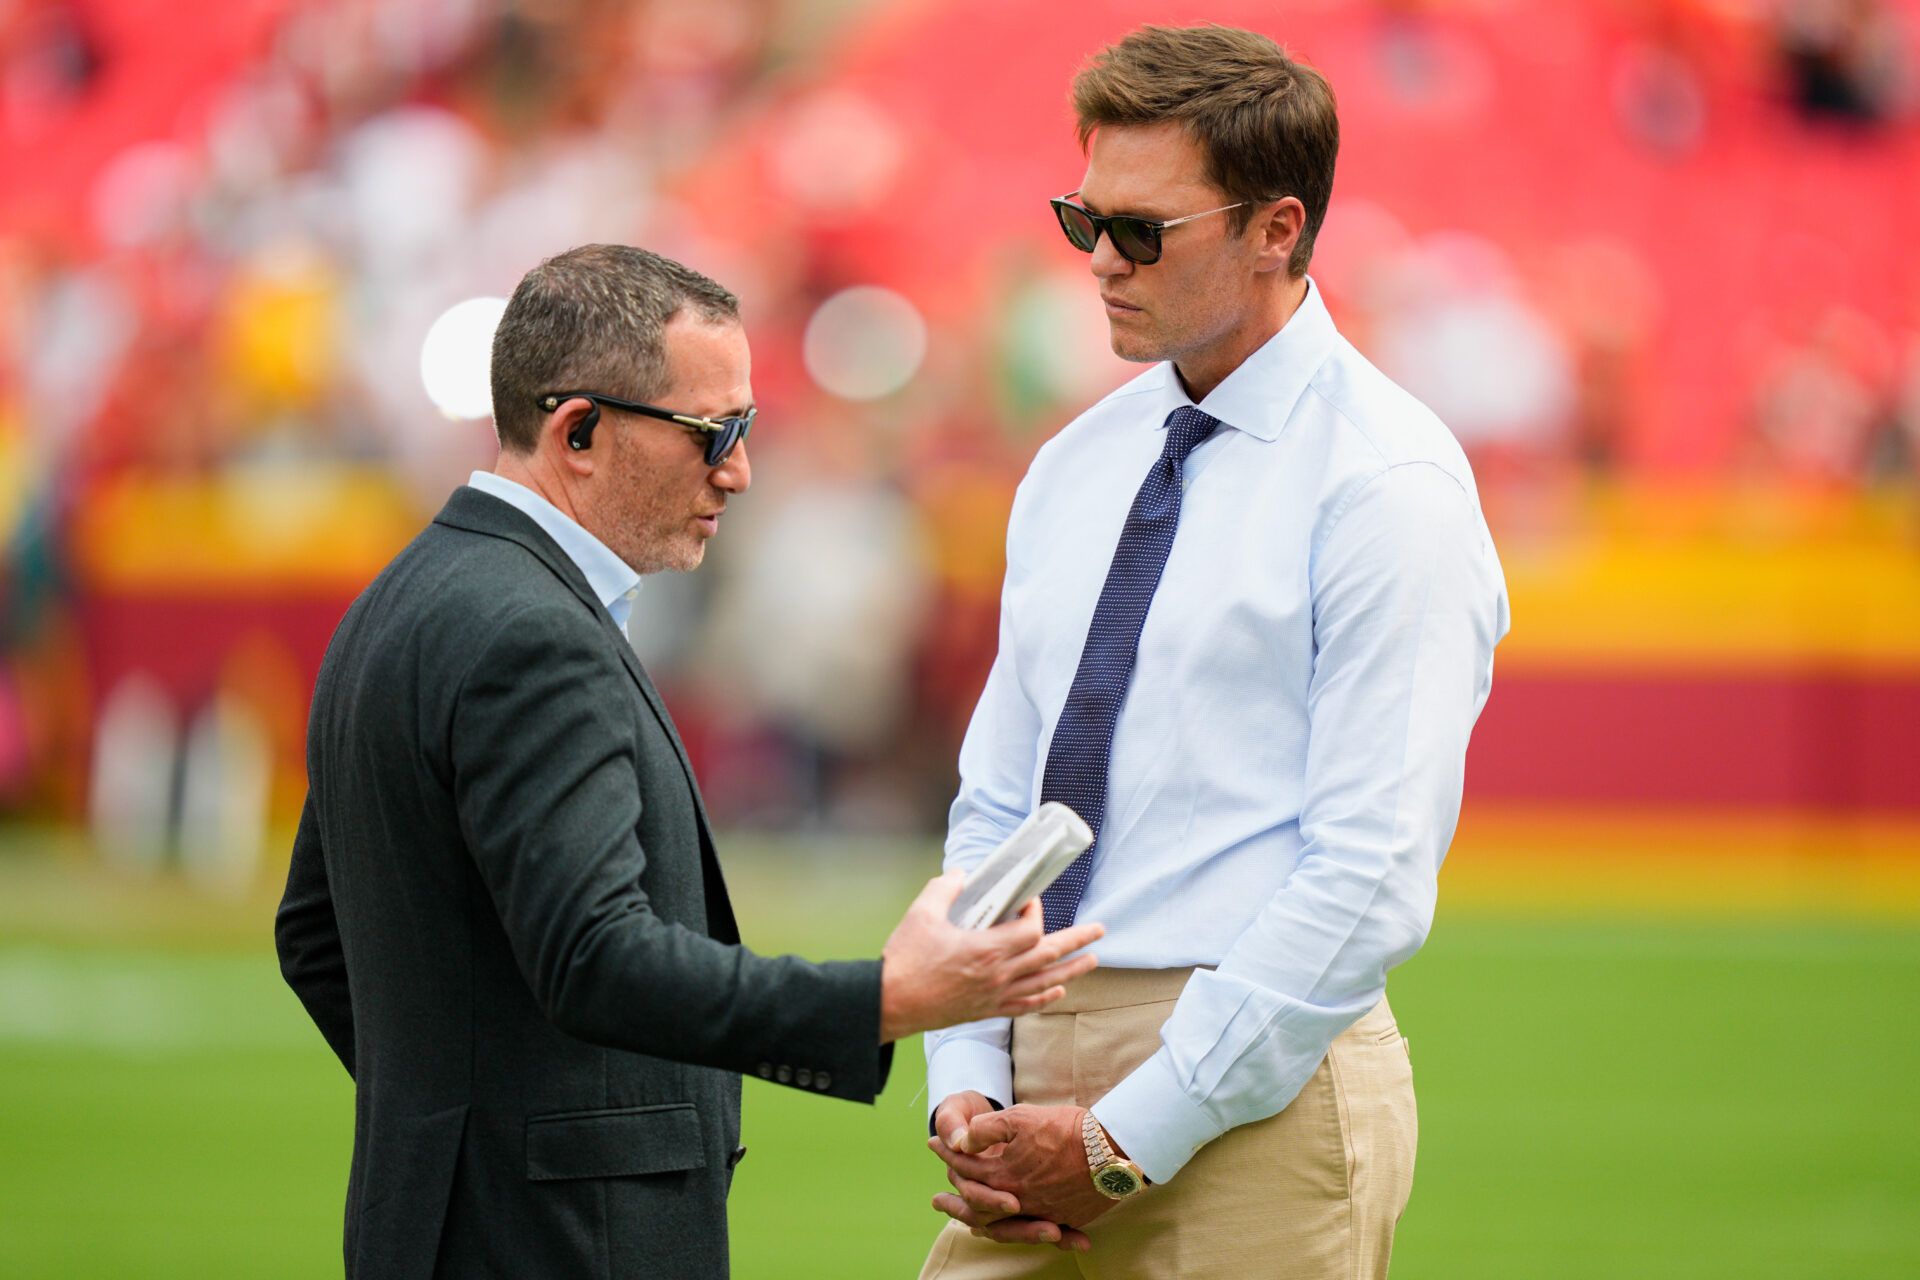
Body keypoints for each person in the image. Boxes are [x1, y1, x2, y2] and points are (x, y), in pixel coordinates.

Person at [275, 243, 1104, 1279]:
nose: (739, 469)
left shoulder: (405, 595)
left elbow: (311, 934)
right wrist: (888, 996)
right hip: (565, 1245)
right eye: (714, 432)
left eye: (745, 429)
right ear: (580, 430)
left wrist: (456, 1127)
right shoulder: (531, 631)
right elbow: (595, 954)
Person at [918, 26, 1510, 1280]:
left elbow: (1370, 871)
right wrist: (964, 1070)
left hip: (1254, 1101)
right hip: (1031, 1064)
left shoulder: (1387, 482)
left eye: (1143, 231)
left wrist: (1130, 1130)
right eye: (1085, 221)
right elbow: (998, 803)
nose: (1100, 260)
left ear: (1276, 229)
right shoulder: (1077, 462)